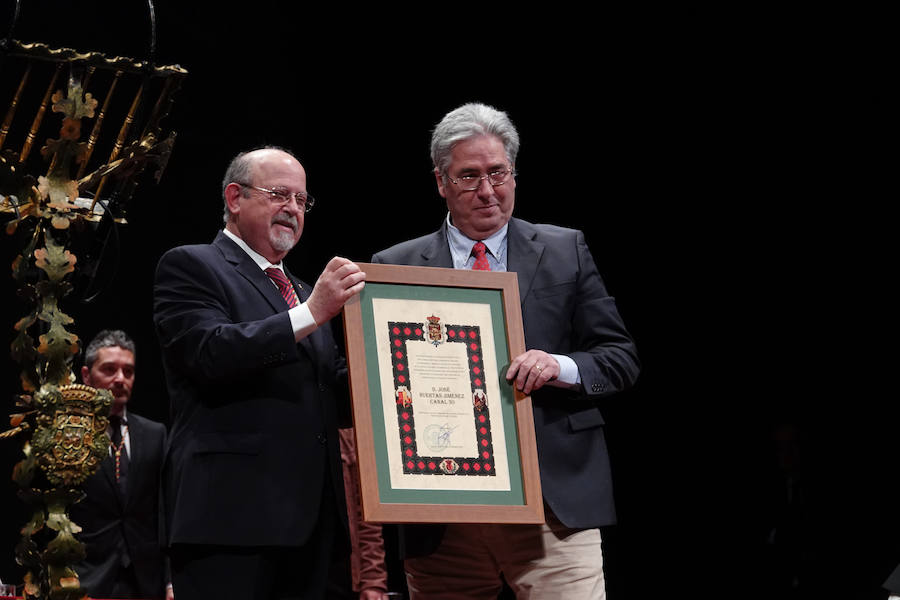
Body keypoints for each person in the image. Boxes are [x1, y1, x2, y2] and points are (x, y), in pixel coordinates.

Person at [370, 102, 640, 600]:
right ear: (440, 182)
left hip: (553, 508)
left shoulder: (566, 249)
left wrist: (558, 365)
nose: (488, 191)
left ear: (514, 172)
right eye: (469, 177)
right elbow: (374, 381)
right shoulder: (396, 266)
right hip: (442, 516)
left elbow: (619, 357)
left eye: (498, 173)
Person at [152, 146, 365, 600]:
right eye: (279, 195)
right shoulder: (190, 265)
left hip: (315, 530)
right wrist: (311, 313)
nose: (292, 209)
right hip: (231, 524)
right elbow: (211, 352)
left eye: (301, 200)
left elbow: (334, 391)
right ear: (234, 198)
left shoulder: (306, 293)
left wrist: (404, 376)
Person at [69, 329, 173, 600]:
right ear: (86, 376)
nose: (120, 379)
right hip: (86, 580)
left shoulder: (155, 434)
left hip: (145, 582)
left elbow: (166, 513)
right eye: (109, 369)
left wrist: (170, 580)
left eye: (128, 371)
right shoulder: (67, 436)